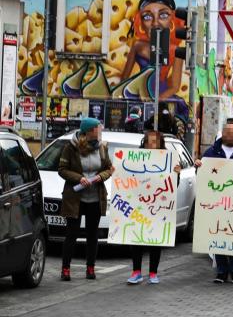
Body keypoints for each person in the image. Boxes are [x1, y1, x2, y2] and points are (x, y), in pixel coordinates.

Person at [196, 120, 233, 284]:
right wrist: (199, 165)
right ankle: (221, 271)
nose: (231, 136)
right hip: (217, 204)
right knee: (218, 235)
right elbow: (202, 174)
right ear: (223, 133)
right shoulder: (211, 152)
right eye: (228, 133)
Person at [58, 118, 114, 281]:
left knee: (92, 235)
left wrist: (99, 177)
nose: (100, 130)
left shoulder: (102, 147)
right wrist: (79, 178)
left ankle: (90, 268)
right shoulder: (71, 147)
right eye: (98, 128)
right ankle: (65, 269)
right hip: (75, 197)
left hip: (95, 197)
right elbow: (62, 169)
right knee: (71, 234)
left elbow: (109, 169)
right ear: (90, 131)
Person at [127, 130, 182, 285]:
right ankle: (136, 271)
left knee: (155, 239)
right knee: (136, 238)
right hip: (139, 205)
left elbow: (173, 186)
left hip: (158, 206)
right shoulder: (136, 158)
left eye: (154, 142)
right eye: (148, 141)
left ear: (160, 143)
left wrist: (176, 174)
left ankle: (153, 272)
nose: (151, 145)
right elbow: (127, 179)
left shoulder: (168, 159)